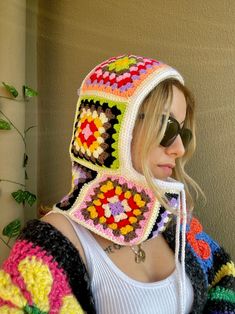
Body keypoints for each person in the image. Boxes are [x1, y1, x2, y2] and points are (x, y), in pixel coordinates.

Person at [0, 55, 234, 314]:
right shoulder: (53, 243)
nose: (179, 149)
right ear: (114, 128)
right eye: (165, 127)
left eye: (182, 133)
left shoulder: (173, 221)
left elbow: (225, 276)